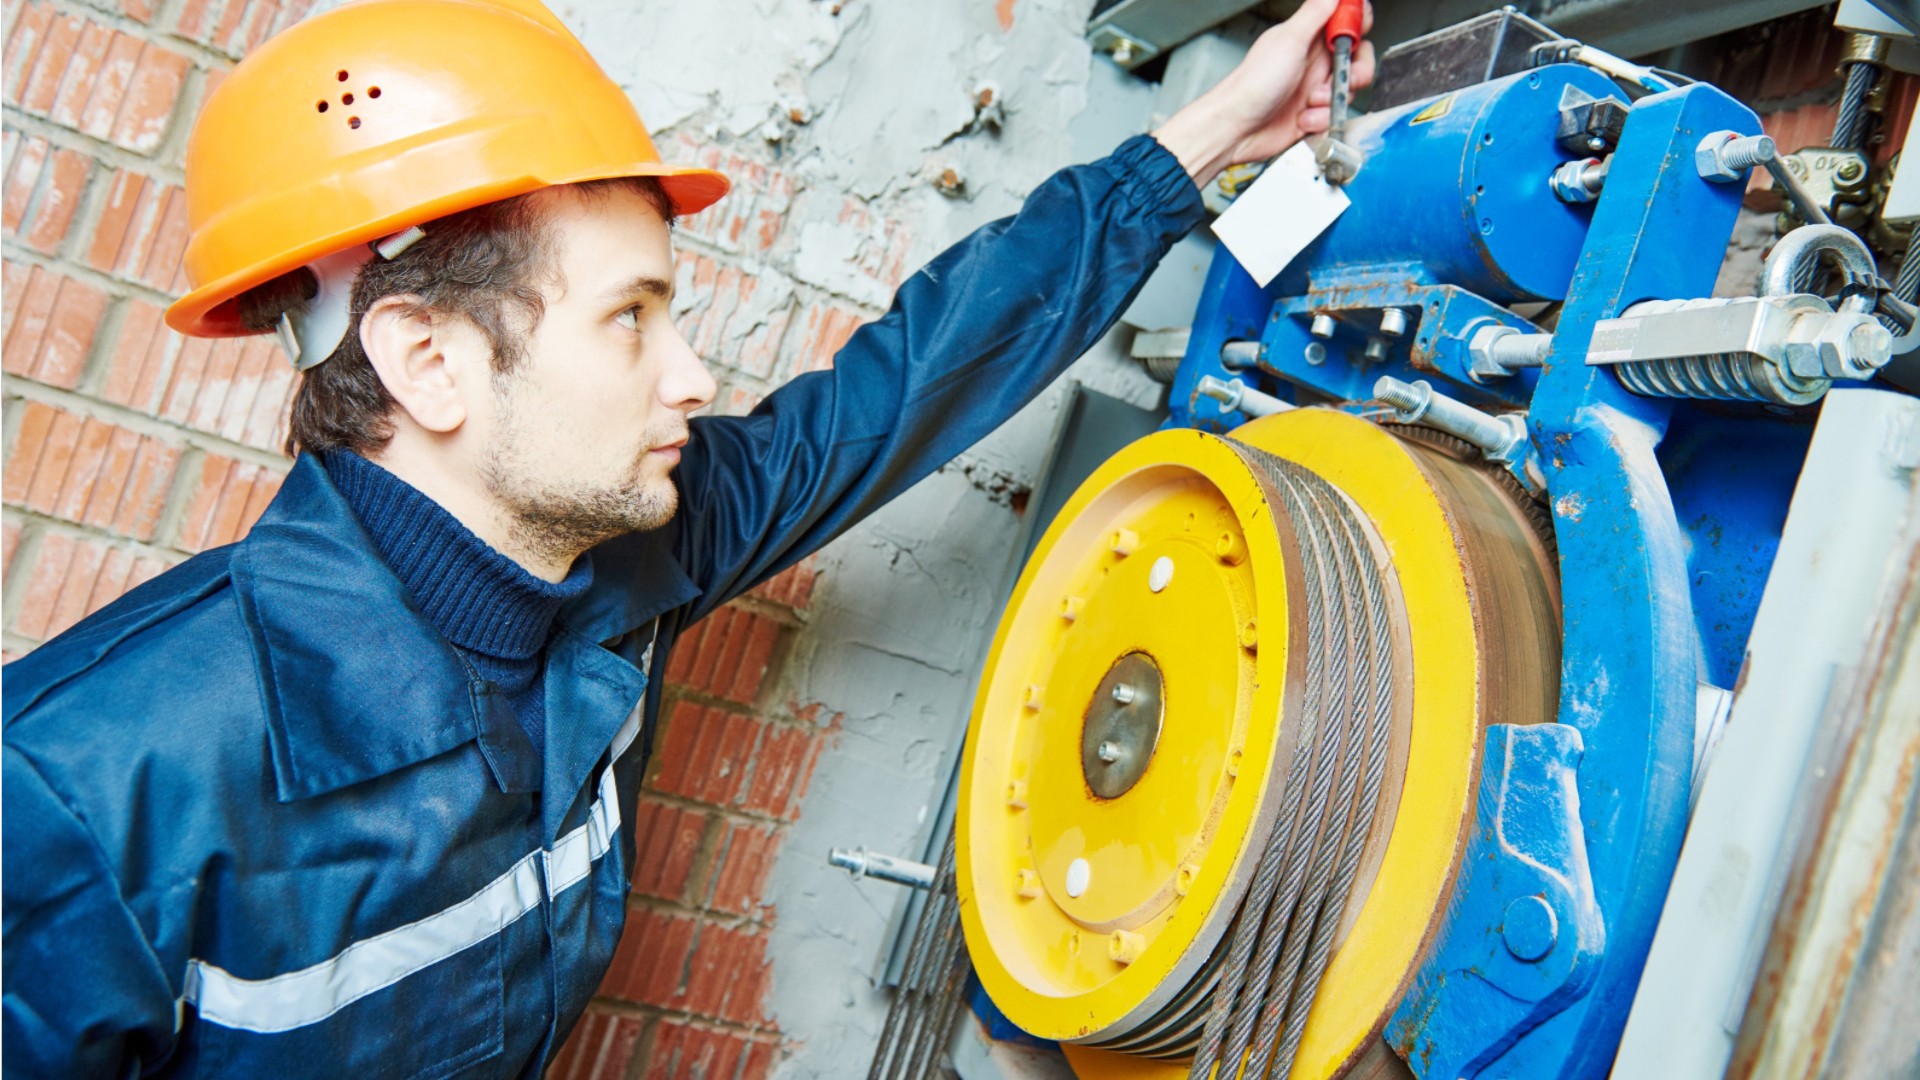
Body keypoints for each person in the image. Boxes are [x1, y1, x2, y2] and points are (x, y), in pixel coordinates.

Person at [0, 0, 1373, 1074]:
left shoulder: (613, 561)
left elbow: (898, 391)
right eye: (631, 317)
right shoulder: (82, 797)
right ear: (426, 361)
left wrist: (1202, 142)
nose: (694, 376)